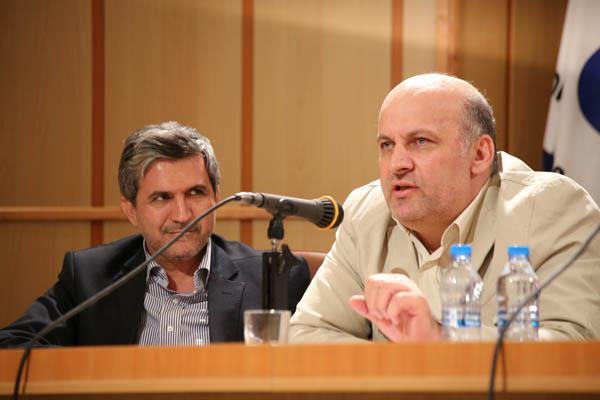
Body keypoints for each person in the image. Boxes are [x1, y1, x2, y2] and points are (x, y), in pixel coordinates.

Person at [289, 73, 600, 342]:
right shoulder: (365, 212)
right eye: (387, 145)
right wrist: (408, 366)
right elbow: (308, 333)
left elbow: (571, 344)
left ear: (479, 154)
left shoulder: (551, 208)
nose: (397, 164)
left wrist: (439, 338)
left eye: (420, 141)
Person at [0, 121, 310, 347]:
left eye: (196, 193)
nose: (183, 215)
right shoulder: (91, 277)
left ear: (216, 196)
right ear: (131, 211)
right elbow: (14, 344)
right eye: (162, 198)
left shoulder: (269, 279)